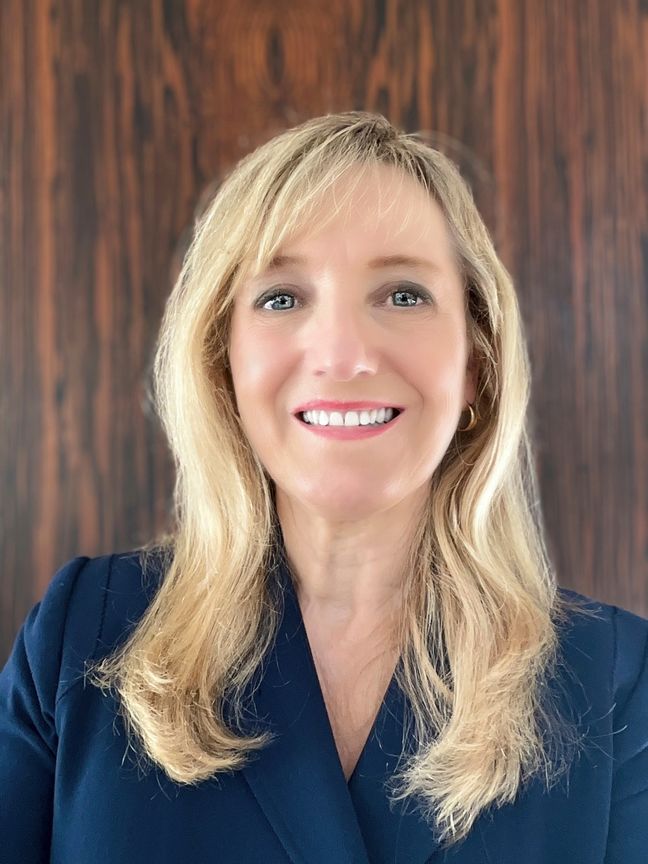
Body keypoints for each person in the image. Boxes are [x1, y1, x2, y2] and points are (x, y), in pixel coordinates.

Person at [0, 111, 646, 864]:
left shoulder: (616, 685)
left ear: (477, 362)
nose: (342, 354)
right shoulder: (79, 637)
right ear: (223, 363)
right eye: (282, 298)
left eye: (403, 294)